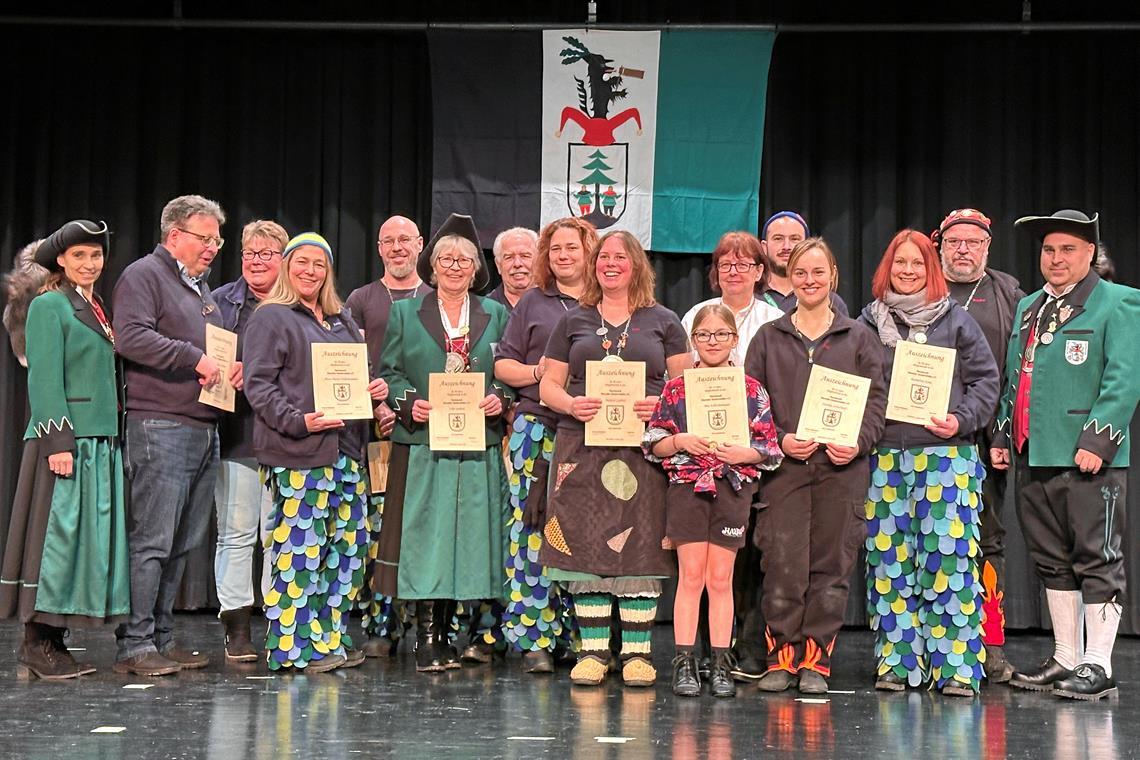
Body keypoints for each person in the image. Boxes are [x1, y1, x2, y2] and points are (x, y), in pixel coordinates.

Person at [993, 210, 1140, 701]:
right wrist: (1002, 435)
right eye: (1049, 250)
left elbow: (1124, 380)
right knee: (1052, 561)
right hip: (1033, 454)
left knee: (1096, 557)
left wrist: (1098, 441)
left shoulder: (1119, 303)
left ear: (1091, 256)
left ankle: (1098, 663)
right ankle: (1066, 657)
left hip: (1087, 456)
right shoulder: (1030, 306)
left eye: (1068, 250)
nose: (1056, 259)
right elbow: (1017, 378)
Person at [538, 230, 691, 688]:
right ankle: (593, 651)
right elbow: (548, 385)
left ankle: (638, 654)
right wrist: (569, 404)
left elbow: (687, 388)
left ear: (637, 265)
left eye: (619, 257)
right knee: (585, 540)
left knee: (641, 540)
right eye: (603, 257)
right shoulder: (572, 321)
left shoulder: (664, 321)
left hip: (643, 448)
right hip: (581, 446)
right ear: (592, 265)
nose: (610, 264)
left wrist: (662, 403)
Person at [859, 229, 999, 696]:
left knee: (948, 564)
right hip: (882, 460)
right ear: (887, 267)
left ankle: (957, 668)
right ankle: (897, 664)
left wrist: (960, 421)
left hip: (945, 459)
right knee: (889, 565)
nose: (908, 271)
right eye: (900, 262)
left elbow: (986, 382)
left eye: (917, 263)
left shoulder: (955, 321)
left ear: (931, 269)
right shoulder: (867, 322)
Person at [745, 238, 887, 694]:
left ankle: (816, 661)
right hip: (785, 471)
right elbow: (752, 403)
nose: (809, 281)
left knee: (832, 566)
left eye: (818, 272)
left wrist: (859, 443)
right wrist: (781, 439)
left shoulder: (859, 337)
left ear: (833, 277)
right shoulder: (769, 337)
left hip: (841, 471)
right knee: (782, 563)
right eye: (800, 272)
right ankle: (781, 656)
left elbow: (877, 401)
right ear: (791, 277)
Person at [243, 232, 387, 672]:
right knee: (300, 549)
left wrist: (373, 391)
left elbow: (348, 383)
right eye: (301, 262)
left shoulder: (340, 320)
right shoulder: (272, 318)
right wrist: (298, 420)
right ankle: (291, 647)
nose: (310, 271)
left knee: (346, 550)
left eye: (319, 264)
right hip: (299, 450)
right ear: (287, 267)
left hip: (346, 453)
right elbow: (258, 386)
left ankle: (327, 639)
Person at [376, 213, 514, 673]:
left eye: (465, 260)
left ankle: (453, 633)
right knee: (426, 538)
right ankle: (428, 638)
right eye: (447, 259)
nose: (455, 266)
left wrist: (500, 398)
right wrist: (407, 402)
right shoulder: (403, 312)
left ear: (476, 269)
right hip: (423, 441)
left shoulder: (496, 314)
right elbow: (389, 373)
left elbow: (510, 373)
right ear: (432, 266)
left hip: (477, 442)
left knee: (466, 540)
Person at [0, 220, 128, 679]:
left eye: (95, 255)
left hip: (98, 436)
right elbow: (44, 377)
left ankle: (53, 640)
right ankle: (35, 643)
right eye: (79, 256)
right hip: (67, 438)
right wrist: (59, 441)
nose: (90, 264)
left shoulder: (94, 307)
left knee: (77, 544)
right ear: (60, 260)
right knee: (55, 539)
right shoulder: (48, 305)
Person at [112, 194, 229, 676]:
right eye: (205, 238)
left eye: (217, 240)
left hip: (202, 426)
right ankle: (134, 645)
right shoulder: (145, 275)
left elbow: (208, 353)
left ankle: (162, 637)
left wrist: (228, 369)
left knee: (183, 543)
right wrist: (194, 357)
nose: (213, 248)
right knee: (153, 541)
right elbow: (131, 337)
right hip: (159, 424)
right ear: (174, 235)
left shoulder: (200, 290)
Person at [645, 304, 783, 699]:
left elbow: (768, 447)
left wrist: (746, 453)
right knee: (691, 577)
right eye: (704, 335)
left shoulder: (751, 388)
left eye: (721, 334)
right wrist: (680, 441)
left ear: (735, 340)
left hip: (732, 489)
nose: (712, 342)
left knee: (721, 579)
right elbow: (653, 441)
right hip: (688, 488)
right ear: (694, 341)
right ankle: (685, 661)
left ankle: (722, 662)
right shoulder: (677, 388)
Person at [492, 217, 596, 673]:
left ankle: (582, 636)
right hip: (538, 428)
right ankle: (534, 637)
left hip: (591, 433)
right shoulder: (533, 302)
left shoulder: (606, 304)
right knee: (530, 533)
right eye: (555, 250)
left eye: (571, 248)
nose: (563, 256)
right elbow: (503, 368)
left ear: (588, 251)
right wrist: (544, 373)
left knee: (581, 533)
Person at [679, 230, 783, 680]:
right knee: (699, 569)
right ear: (715, 271)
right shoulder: (692, 317)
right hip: (699, 465)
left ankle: (741, 648)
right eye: (726, 264)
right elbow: (680, 385)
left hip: (748, 458)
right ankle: (701, 651)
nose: (735, 271)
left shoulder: (773, 318)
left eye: (744, 264)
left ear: (760, 272)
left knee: (745, 559)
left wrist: (754, 448)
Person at [932, 208, 1026, 682]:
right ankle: (929, 644)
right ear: (940, 245)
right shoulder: (920, 288)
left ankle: (990, 644)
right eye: (955, 242)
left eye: (973, 242)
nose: (963, 249)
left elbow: (1022, 373)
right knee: (927, 543)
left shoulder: (1010, 293)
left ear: (987, 247)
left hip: (987, 443)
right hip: (926, 443)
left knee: (986, 542)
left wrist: (1005, 432)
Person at [343, 215, 423, 657]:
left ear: (419, 245)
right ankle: (380, 627)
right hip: (372, 432)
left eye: (404, 240)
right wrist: (378, 406)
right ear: (378, 248)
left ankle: (426, 625)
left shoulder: (435, 299)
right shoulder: (360, 299)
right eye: (388, 241)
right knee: (378, 534)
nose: (397, 248)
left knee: (417, 528)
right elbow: (345, 360)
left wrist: (406, 408)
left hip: (422, 430)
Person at [210, 220, 287, 661]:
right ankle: (236, 627)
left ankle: (281, 621)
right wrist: (227, 370)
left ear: (283, 259)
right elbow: (204, 357)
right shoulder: (219, 303)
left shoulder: (298, 304)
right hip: (237, 433)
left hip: (283, 437)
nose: (257, 261)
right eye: (249, 253)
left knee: (277, 535)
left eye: (267, 254)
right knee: (237, 534)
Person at [758, 211, 848, 316]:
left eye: (794, 239)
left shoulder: (832, 302)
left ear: (807, 245)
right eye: (778, 239)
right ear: (764, 247)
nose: (786, 246)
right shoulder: (750, 297)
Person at [485, 227, 538, 310]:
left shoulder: (557, 306)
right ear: (498, 265)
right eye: (509, 257)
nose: (517, 264)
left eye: (525, 256)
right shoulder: (483, 310)